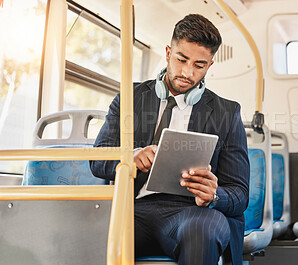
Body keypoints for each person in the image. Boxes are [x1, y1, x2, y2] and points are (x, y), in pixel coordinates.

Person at [90, 14, 250, 265]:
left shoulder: (227, 113)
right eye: (181, 59)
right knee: (88, 232)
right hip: (134, 209)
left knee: (203, 230)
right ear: (167, 52)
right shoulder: (130, 98)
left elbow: (239, 194)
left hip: (193, 214)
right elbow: (98, 158)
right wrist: (129, 157)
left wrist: (214, 195)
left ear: (210, 65)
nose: (187, 72)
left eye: (199, 65)